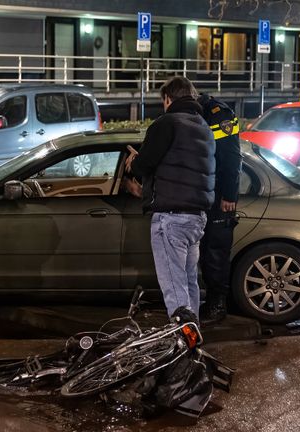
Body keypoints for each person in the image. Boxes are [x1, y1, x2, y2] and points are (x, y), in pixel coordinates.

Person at [124, 76, 216, 322]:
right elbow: (180, 168)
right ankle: (193, 337)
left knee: (175, 289)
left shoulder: (166, 123)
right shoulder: (203, 126)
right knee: (188, 282)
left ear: (168, 98)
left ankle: (184, 345)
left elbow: (146, 164)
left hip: (171, 220)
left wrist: (134, 162)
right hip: (196, 218)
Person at [196, 94, 242, 323]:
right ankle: (212, 303)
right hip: (209, 194)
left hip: (220, 198)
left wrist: (229, 195)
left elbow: (232, 157)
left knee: (215, 254)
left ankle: (218, 307)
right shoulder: (202, 112)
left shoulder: (219, 114)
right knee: (207, 254)